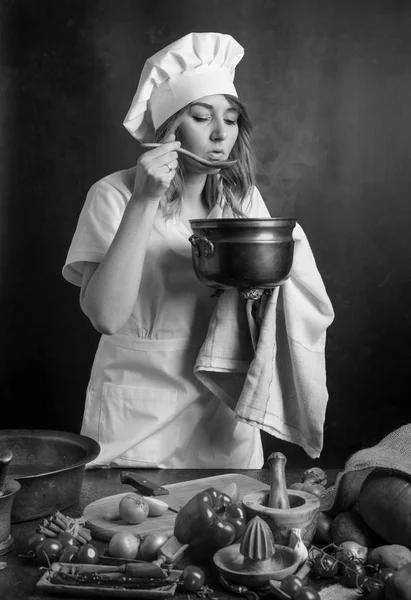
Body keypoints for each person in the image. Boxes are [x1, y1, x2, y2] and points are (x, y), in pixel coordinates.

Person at [62, 32, 331, 469]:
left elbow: (272, 294)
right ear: (171, 127)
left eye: (230, 118)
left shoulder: (242, 200)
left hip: (223, 406)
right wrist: (145, 201)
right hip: (136, 417)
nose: (221, 132)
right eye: (202, 117)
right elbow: (105, 316)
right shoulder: (113, 195)